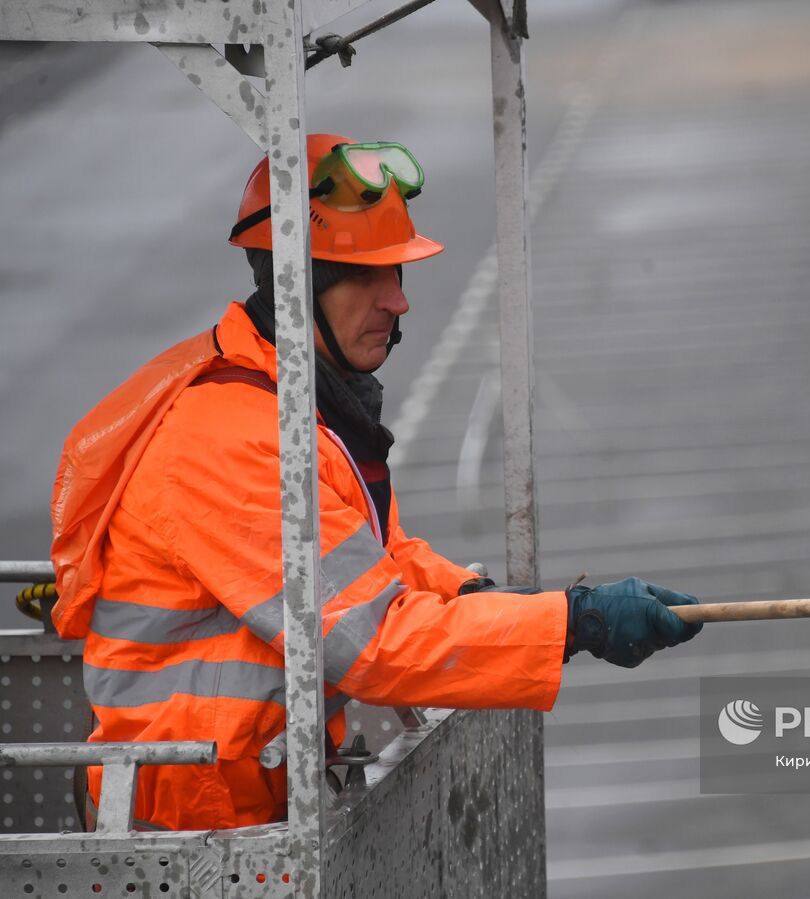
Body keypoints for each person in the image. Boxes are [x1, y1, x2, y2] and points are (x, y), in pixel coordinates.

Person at [48, 133, 702, 831]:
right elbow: (373, 641)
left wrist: (481, 599)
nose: (399, 301)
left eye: (399, 273)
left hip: (242, 805)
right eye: (371, 275)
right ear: (300, 284)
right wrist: (574, 623)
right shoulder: (230, 439)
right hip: (185, 833)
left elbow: (377, 563)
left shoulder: (293, 405)